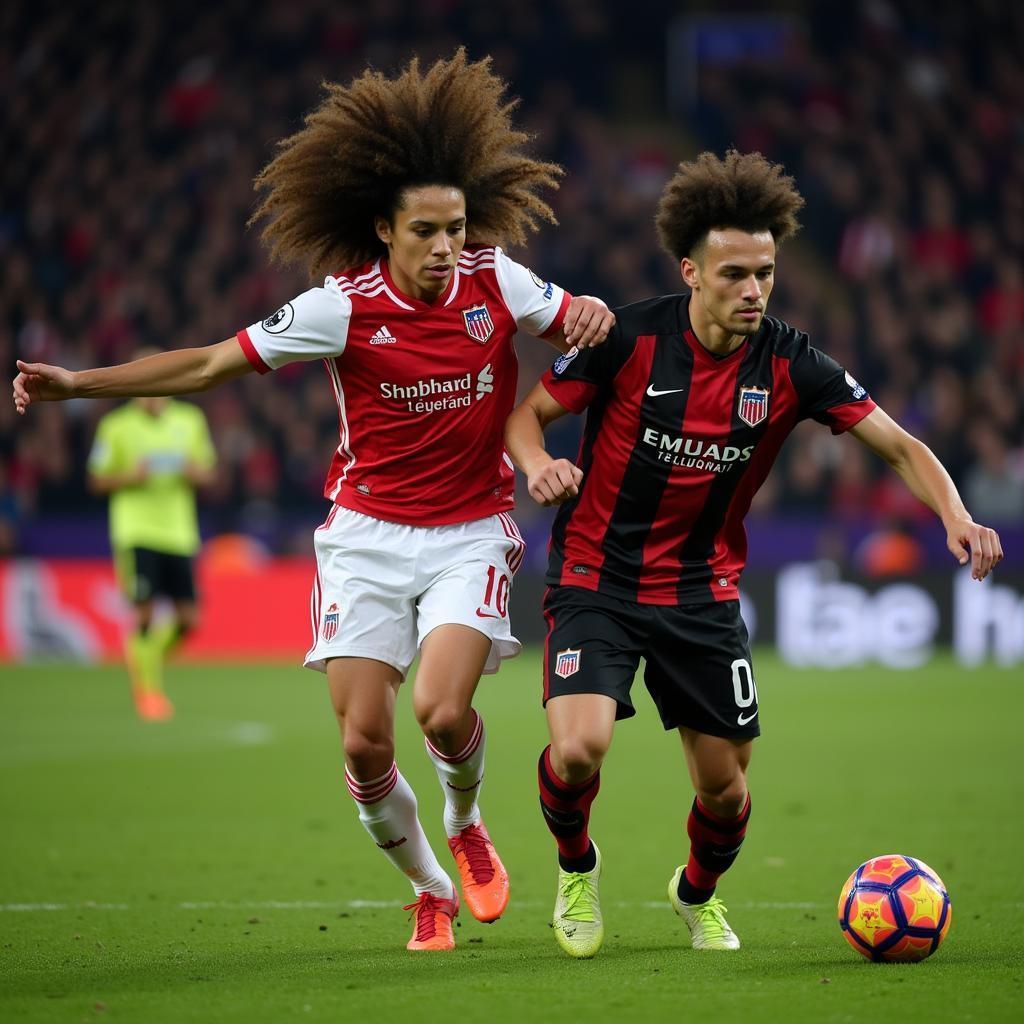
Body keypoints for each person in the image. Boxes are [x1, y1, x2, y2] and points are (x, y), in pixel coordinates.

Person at [12, 50, 614, 952]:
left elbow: (589, 329)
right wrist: (78, 384)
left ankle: (465, 816)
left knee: (443, 714)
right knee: (365, 745)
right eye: (425, 229)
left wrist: (599, 312)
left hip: (470, 531)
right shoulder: (341, 307)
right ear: (384, 228)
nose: (447, 244)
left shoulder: (498, 281)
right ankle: (430, 888)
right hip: (365, 537)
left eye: (456, 225)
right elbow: (211, 363)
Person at [504, 150, 1003, 959]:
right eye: (734, 272)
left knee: (726, 791)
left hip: (701, 592)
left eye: (765, 273)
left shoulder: (792, 362)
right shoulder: (628, 337)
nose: (753, 290)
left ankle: (695, 894)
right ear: (691, 271)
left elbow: (899, 444)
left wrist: (954, 512)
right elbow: (526, 417)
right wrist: (539, 465)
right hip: (596, 576)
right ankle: (576, 869)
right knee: (578, 746)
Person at [87, 357, 216, 721]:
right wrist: (131, 476)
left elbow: (209, 473)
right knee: (143, 615)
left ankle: (145, 663)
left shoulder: (190, 420)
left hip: (179, 533)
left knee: (189, 620)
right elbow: (96, 480)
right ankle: (149, 691)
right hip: (137, 531)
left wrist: (194, 472)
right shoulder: (116, 426)